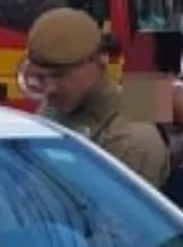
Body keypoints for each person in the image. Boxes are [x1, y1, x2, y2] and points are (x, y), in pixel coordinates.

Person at [22, 8, 171, 189]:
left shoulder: (130, 139)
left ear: (99, 59)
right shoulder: (58, 106)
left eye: (60, 75)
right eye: (40, 77)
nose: (49, 89)